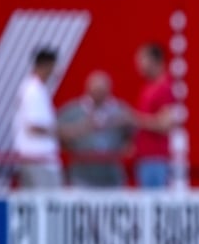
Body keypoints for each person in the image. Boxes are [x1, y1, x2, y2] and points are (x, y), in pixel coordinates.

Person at [58, 70, 134, 187]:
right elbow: (57, 132)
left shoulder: (121, 111)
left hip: (112, 176)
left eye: (101, 90)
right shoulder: (72, 111)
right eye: (96, 90)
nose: (98, 93)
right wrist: (78, 130)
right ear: (88, 89)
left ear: (108, 90)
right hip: (81, 175)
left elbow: (131, 136)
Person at [13, 47, 64, 188]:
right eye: (54, 66)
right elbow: (34, 126)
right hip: (38, 159)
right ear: (47, 66)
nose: (56, 71)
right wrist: (66, 132)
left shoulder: (36, 89)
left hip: (39, 159)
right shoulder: (33, 91)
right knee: (46, 200)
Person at [132, 42, 179, 188]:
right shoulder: (149, 87)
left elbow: (165, 124)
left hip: (155, 160)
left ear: (154, 60)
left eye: (141, 59)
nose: (138, 64)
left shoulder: (164, 88)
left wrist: (133, 119)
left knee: (155, 201)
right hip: (145, 158)